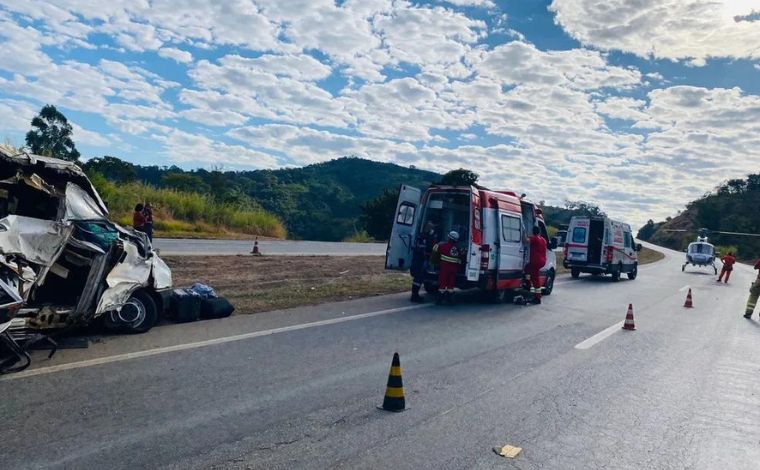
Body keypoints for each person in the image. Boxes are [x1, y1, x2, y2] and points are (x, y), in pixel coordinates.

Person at [410, 221, 437, 303]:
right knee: (418, 278)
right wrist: (427, 258)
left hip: (420, 259)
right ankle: (414, 296)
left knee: (419, 278)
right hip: (420, 260)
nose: (433, 230)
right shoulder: (423, 237)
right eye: (432, 228)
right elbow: (422, 250)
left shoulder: (424, 236)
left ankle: (415, 295)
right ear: (428, 229)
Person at [431, 231, 462, 305]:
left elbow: (434, 251)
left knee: (442, 283)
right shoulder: (457, 249)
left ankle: (439, 299)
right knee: (451, 284)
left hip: (444, 268)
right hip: (454, 269)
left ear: (449, 238)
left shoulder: (442, 246)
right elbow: (460, 260)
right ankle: (450, 299)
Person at [524, 225, 548, 305]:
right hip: (542, 261)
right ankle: (528, 282)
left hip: (535, 261)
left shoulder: (534, 238)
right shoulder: (543, 240)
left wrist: (523, 232)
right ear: (539, 232)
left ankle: (537, 297)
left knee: (535, 279)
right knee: (527, 268)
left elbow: (526, 240)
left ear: (533, 232)